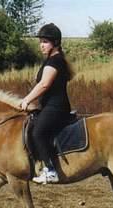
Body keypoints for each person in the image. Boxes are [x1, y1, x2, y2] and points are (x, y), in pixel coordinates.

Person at [21, 23, 75, 184]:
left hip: (56, 108)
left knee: (38, 132)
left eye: (45, 42)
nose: (41, 45)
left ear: (56, 43)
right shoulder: (52, 60)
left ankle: (51, 171)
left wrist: (26, 100)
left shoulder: (55, 61)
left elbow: (44, 84)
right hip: (49, 107)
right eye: (41, 42)